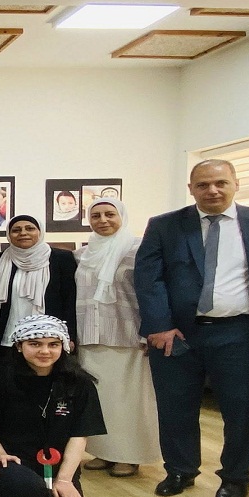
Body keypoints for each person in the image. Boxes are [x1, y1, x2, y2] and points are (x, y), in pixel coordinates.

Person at [134, 159, 249, 497]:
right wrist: (159, 325)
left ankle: (236, 477)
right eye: (202, 185)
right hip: (176, 334)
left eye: (220, 183)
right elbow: (148, 278)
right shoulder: (165, 225)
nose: (212, 190)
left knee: (241, 409)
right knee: (175, 406)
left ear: (236, 184)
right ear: (191, 189)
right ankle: (180, 470)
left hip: (238, 332)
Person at [0, 315, 105, 497]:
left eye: (53, 344)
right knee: (25, 488)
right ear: (19, 346)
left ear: (63, 346)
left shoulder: (80, 384)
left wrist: (64, 479)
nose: (45, 351)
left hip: (56, 469)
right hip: (11, 465)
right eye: (35, 344)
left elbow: (80, 435)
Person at [75, 199, 160, 478]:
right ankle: (104, 452)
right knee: (99, 400)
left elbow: (152, 292)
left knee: (128, 401)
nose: (103, 220)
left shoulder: (139, 249)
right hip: (90, 336)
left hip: (129, 336)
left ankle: (129, 456)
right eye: (96, 215)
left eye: (110, 214)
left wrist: (150, 331)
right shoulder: (82, 254)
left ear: (121, 216)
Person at [0, 215, 77, 370]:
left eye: (30, 228)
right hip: (6, 338)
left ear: (40, 232)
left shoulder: (62, 259)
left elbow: (69, 300)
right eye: (16, 230)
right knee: (6, 380)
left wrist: (70, 335)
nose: (23, 233)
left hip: (48, 339)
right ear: (8, 235)